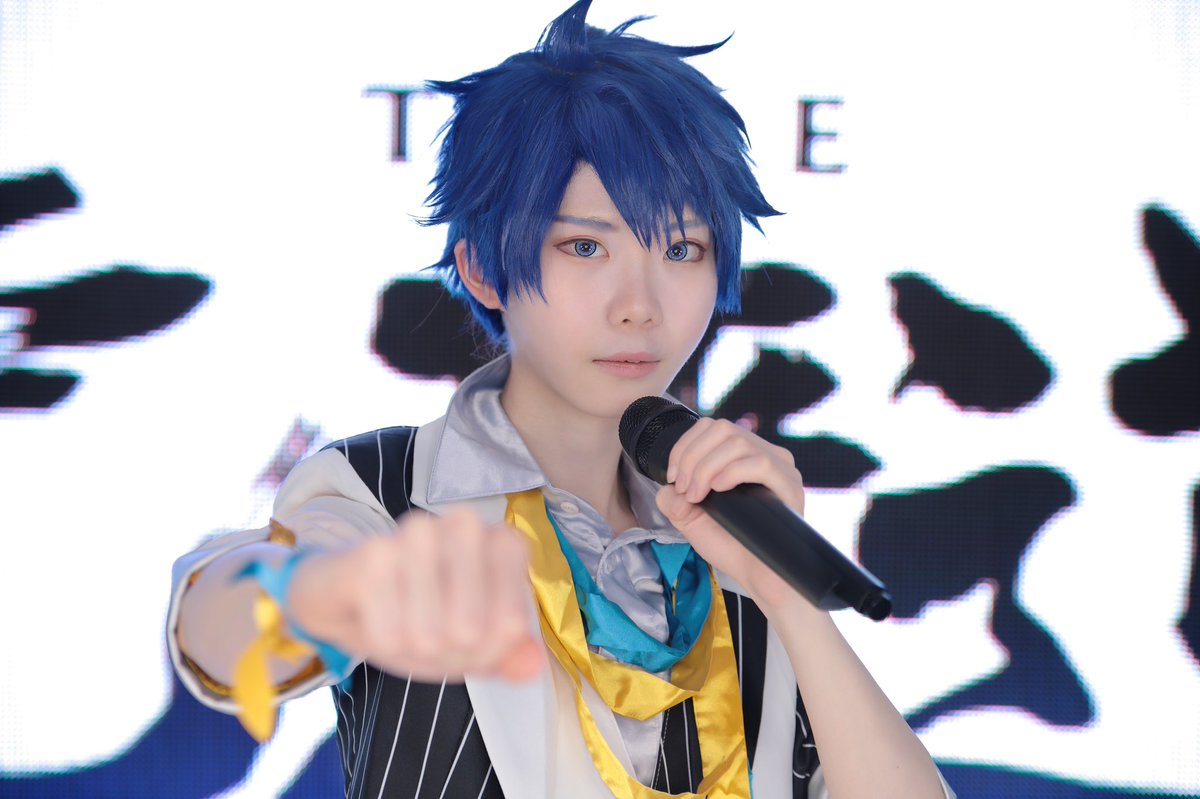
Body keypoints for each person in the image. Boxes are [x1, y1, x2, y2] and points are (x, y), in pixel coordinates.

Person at [167, 2, 955, 797]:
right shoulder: (385, 487)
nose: (639, 305)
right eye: (585, 245)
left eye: (682, 248)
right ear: (482, 269)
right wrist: (327, 595)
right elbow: (223, 628)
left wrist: (789, 595)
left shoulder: (732, 526)